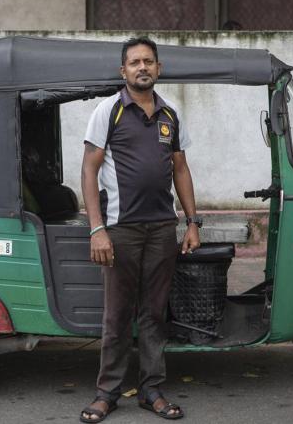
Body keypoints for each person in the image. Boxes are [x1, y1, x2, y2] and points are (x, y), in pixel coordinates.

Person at [79, 36, 201, 423]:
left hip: (162, 229)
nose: (142, 67)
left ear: (158, 69)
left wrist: (192, 222)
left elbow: (180, 169)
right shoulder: (108, 111)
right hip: (121, 230)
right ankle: (107, 392)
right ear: (123, 71)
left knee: (153, 313)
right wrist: (97, 229)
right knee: (117, 315)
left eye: (149, 61)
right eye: (135, 62)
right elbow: (88, 170)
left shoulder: (170, 115)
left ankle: (151, 390)